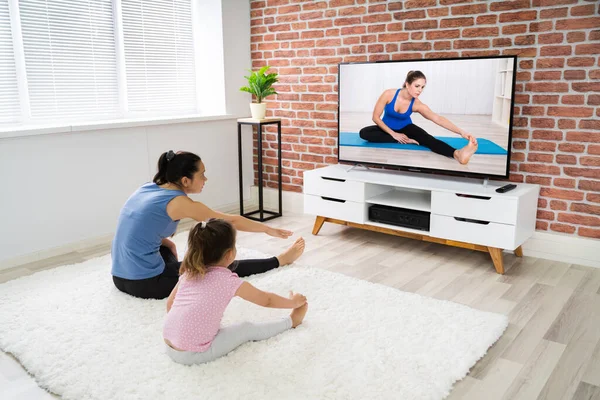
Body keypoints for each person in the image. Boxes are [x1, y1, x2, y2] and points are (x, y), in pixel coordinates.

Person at [111, 150, 305, 300]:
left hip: (119, 276)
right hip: (145, 283)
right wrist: (267, 228)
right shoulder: (179, 203)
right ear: (185, 180)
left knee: (177, 255)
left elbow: (137, 227)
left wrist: (164, 242)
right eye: (202, 174)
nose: (206, 179)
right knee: (220, 266)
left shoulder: (147, 188)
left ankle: (170, 266)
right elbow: (232, 221)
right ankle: (280, 260)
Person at [163, 219, 308, 365]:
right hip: (192, 354)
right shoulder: (227, 280)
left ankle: (188, 337)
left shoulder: (188, 273)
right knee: (246, 329)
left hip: (169, 343)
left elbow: (170, 305)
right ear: (230, 254)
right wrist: (293, 302)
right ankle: (291, 322)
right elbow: (266, 300)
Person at [359, 70, 479, 165]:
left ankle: (457, 154)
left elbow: (437, 119)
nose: (420, 90)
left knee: (428, 139)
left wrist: (462, 132)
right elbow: (375, 117)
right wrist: (394, 135)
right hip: (386, 128)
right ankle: (406, 140)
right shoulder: (389, 94)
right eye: (417, 86)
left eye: (422, 87)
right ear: (407, 84)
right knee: (364, 133)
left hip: (406, 128)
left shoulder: (417, 104)